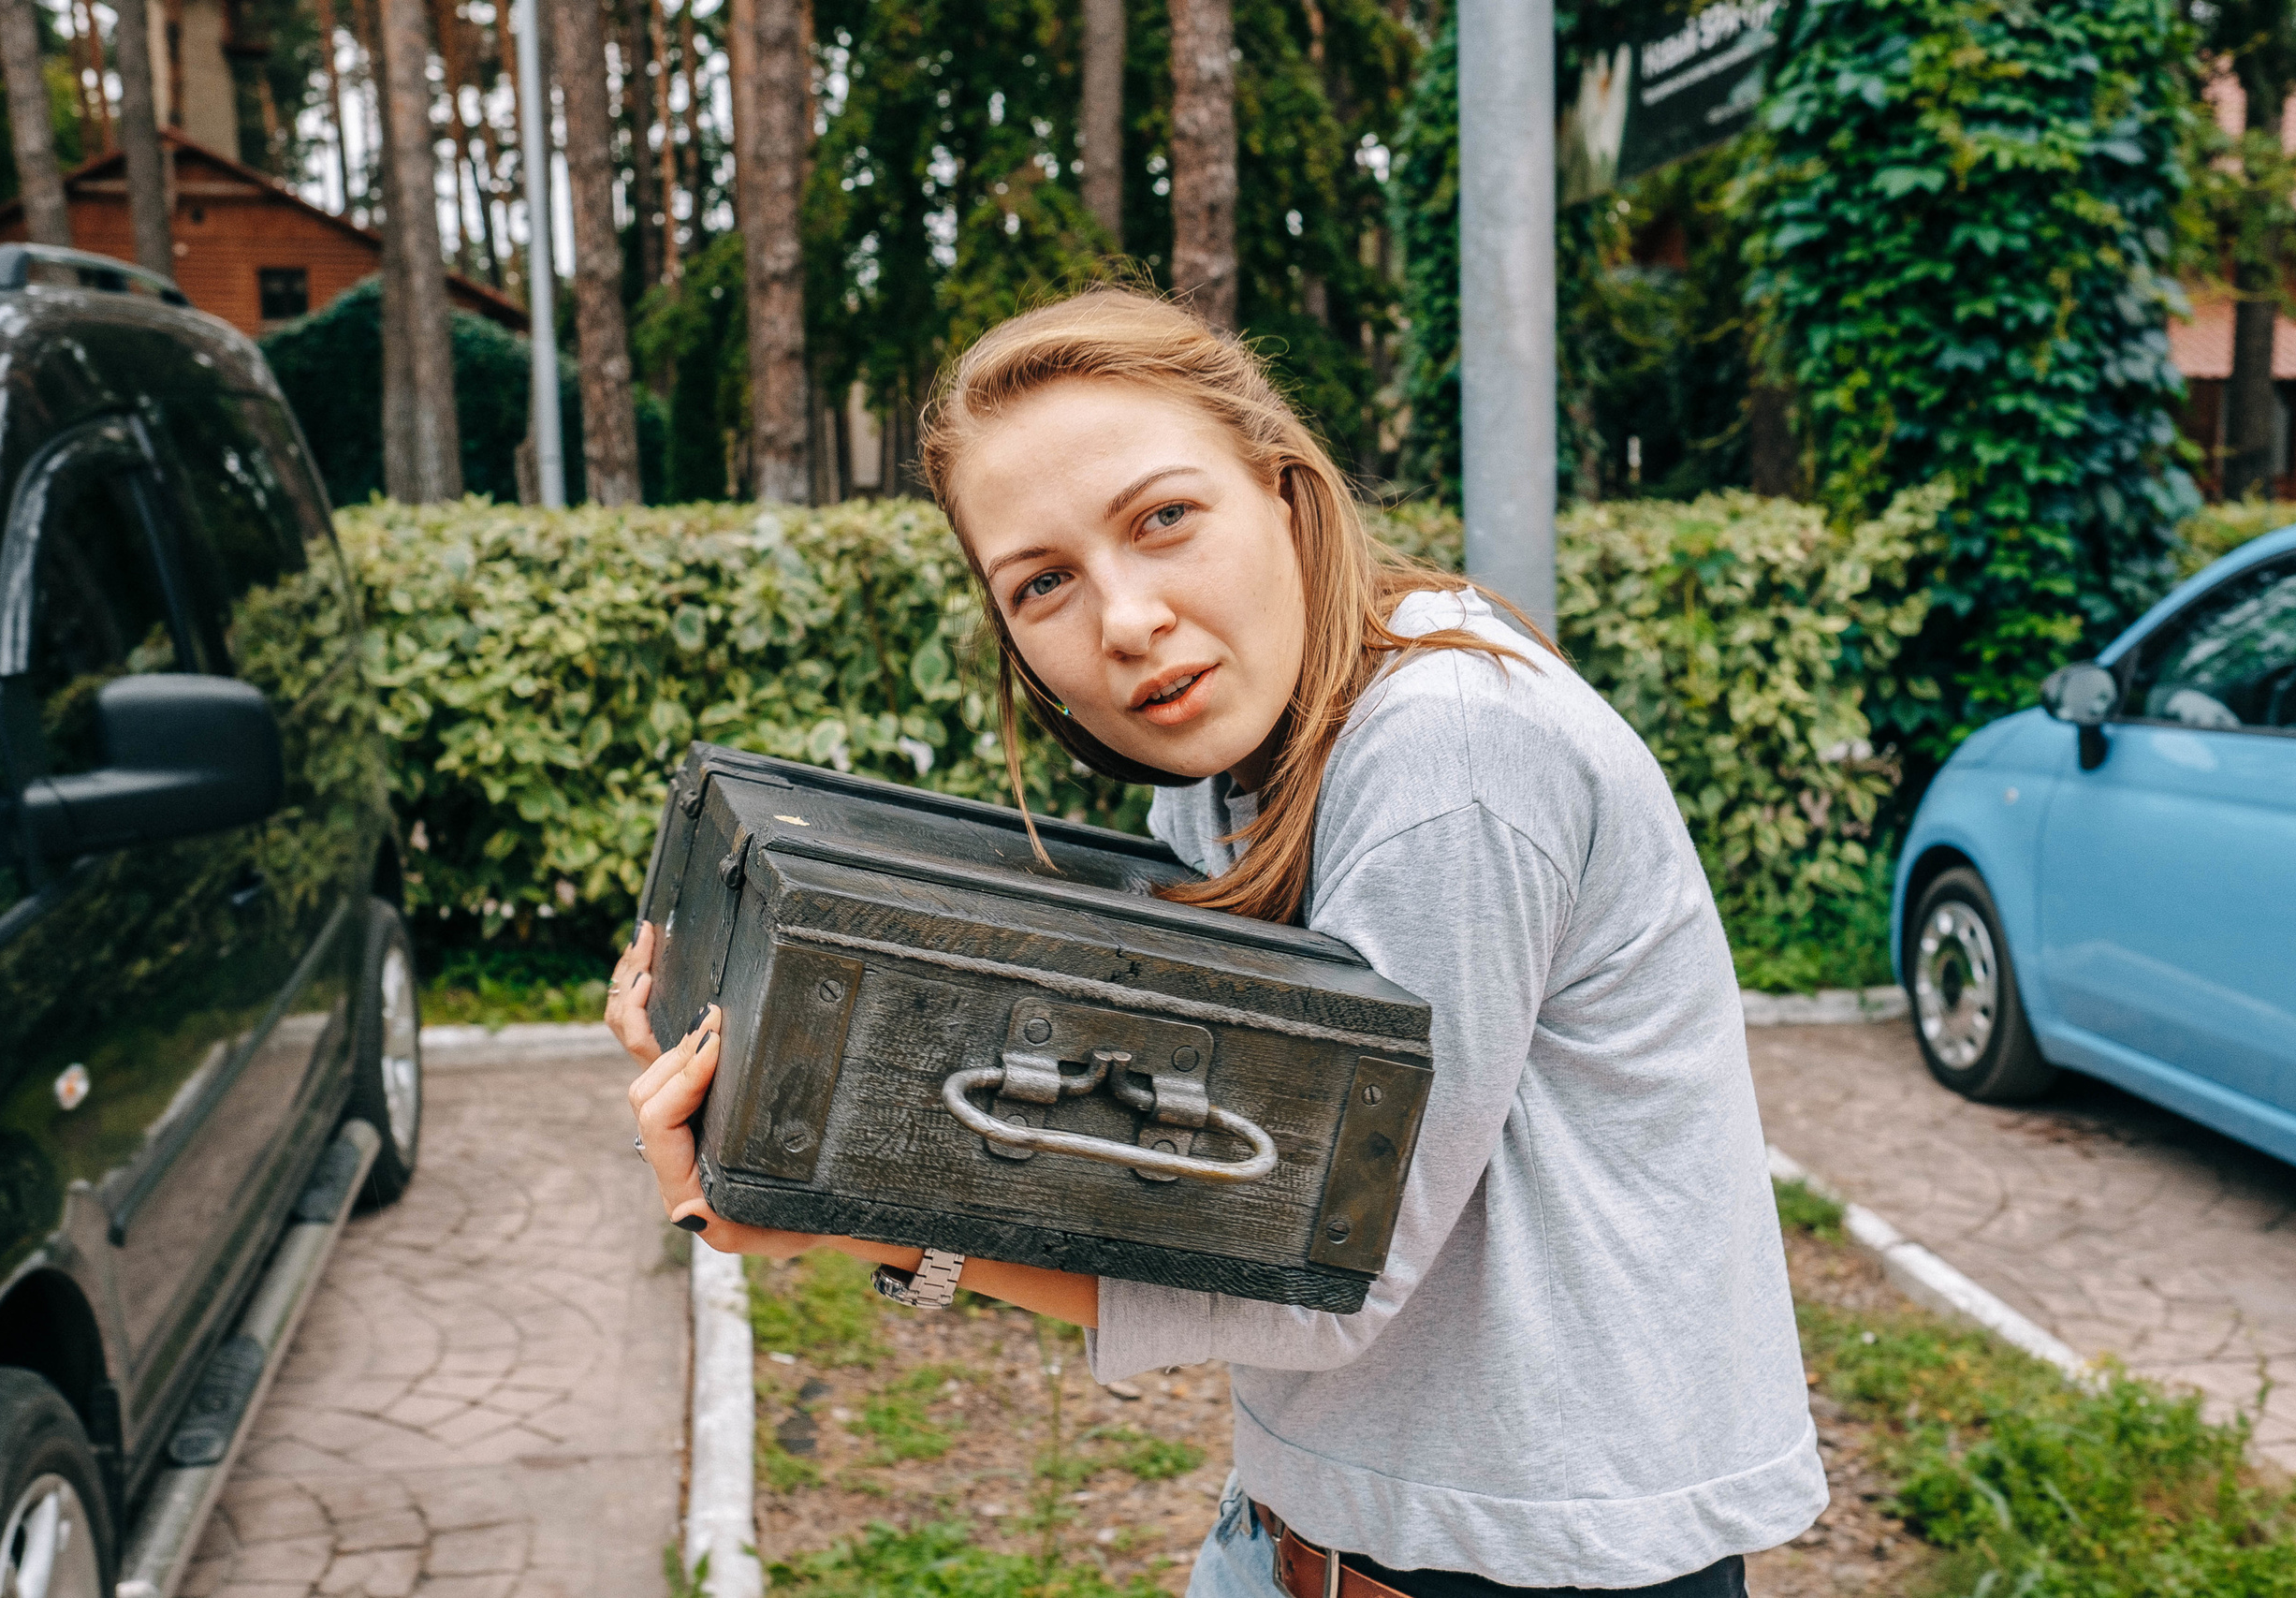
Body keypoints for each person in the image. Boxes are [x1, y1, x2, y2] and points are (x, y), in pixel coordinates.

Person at [607, 287, 1826, 1597]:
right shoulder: (1231, 771)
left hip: (1538, 1562)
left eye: (1165, 519)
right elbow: (1178, 1152)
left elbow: (1323, 1278)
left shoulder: (1450, 759)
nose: (1127, 620)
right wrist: (755, 1056)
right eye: (1046, 583)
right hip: (1301, 1527)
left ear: (1286, 489)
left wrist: (857, 1223)